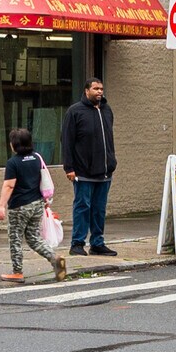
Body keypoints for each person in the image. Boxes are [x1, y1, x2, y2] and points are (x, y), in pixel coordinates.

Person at [0, 127, 65, 283]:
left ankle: (17, 272)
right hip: (37, 204)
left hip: (19, 206)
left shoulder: (13, 163)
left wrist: (1, 206)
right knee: (33, 237)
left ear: (14, 144)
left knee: (15, 239)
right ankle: (54, 258)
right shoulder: (36, 158)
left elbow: (9, 185)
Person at [60, 76, 118, 256]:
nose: (99, 92)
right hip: (83, 171)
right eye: (96, 89)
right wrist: (69, 167)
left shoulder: (107, 110)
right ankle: (77, 243)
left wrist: (111, 161)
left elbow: (109, 138)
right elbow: (67, 141)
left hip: (104, 171)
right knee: (82, 207)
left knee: (99, 209)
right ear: (87, 91)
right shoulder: (75, 111)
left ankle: (97, 243)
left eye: (101, 89)